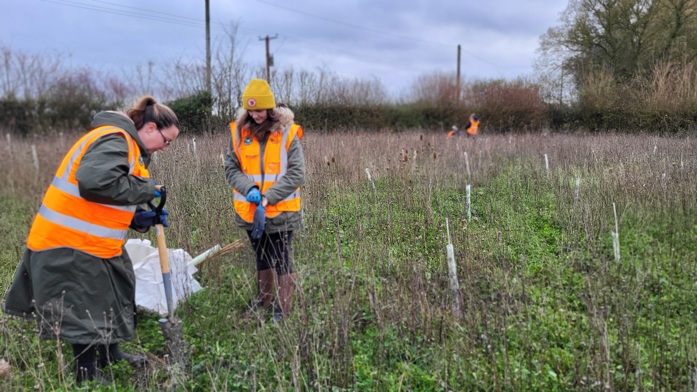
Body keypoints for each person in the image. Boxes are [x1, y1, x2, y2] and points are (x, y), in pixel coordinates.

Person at [2, 96, 179, 385]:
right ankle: (86, 374)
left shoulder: (128, 147)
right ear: (149, 127)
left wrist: (138, 219)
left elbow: (109, 196)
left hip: (94, 242)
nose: (165, 147)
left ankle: (111, 354)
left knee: (114, 292)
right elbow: (93, 182)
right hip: (67, 243)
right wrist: (146, 188)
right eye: (166, 140)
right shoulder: (116, 139)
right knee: (83, 308)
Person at [224, 78, 305, 322]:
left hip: (281, 211)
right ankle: (263, 303)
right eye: (250, 110)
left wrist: (269, 197)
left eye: (259, 110)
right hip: (250, 211)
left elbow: (297, 173)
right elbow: (231, 167)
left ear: (269, 109)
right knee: (261, 255)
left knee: (281, 257)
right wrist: (248, 188)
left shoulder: (288, 132)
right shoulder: (239, 132)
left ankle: (283, 309)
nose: (255, 115)